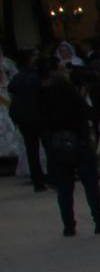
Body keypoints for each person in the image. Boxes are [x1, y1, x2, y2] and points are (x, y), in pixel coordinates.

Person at [35, 59, 100, 237]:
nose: (65, 72)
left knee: (64, 187)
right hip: (78, 140)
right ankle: (99, 221)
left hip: (57, 142)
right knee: (90, 184)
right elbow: (85, 110)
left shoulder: (41, 92)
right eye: (62, 69)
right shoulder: (66, 89)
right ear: (53, 72)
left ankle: (69, 226)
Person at [9, 51, 46, 189]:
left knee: (32, 149)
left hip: (23, 117)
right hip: (36, 115)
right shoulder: (35, 76)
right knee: (45, 145)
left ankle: (38, 181)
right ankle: (51, 176)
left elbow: (11, 89)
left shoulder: (18, 77)